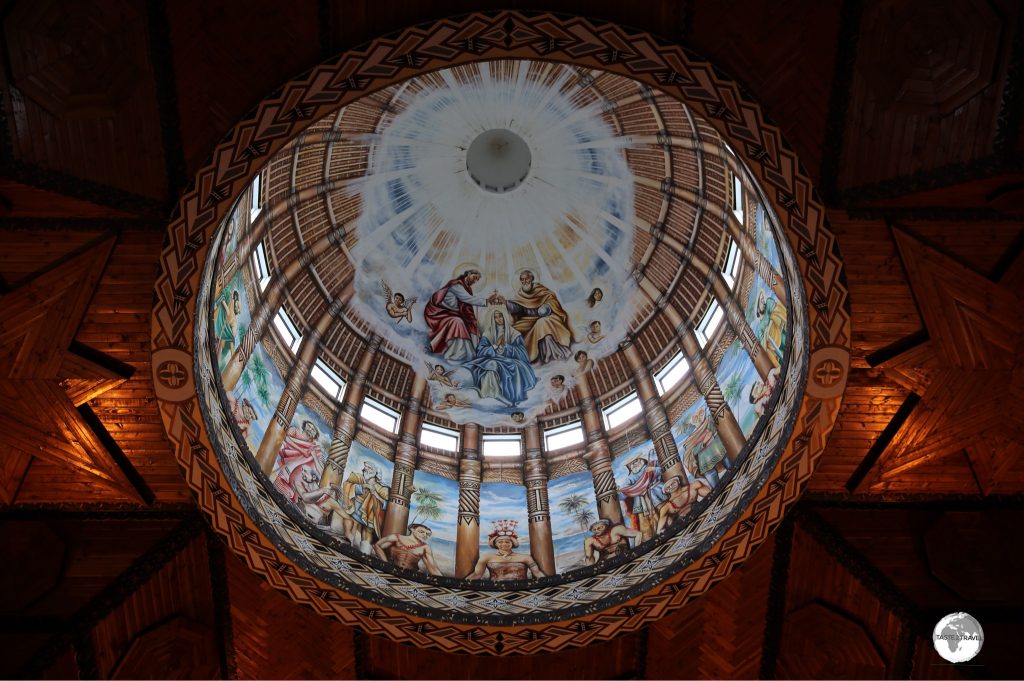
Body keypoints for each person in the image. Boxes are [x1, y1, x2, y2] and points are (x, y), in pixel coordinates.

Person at [464, 309, 537, 406]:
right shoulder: (488, 333)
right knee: (491, 367)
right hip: (493, 358)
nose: (498, 319)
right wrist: (494, 346)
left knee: (514, 366)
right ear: (492, 320)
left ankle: (514, 397)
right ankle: (494, 395)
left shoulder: (513, 333)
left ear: (504, 317)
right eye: (496, 317)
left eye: (500, 316)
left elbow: (522, 352)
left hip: (510, 359)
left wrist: (507, 347)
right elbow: (480, 351)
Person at [423, 268, 497, 362]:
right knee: (458, 322)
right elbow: (468, 299)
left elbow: (467, 307)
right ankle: (455, 353)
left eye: (476, 280)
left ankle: (469, 354)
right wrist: (486, 301)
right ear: (469, 274)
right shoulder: (457, 285)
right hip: (439, 314)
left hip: (452, 314)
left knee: (471, 327)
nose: (474, 281)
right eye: (474, 277)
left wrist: (472, 320)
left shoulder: (467, 289)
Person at [503, 270, 575, 364]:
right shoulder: (520, 295)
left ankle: (552, 353)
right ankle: (521, 357)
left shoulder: (540, 290)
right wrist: (506, 303)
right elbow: (517, 309)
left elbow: (552, 300)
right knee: (513, 331)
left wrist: (547, 306)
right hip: (529, 321)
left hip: (547, 317)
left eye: (526, 278)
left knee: (542, 323)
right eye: (522, 279)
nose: (525, 281)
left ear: (532, 278)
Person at [467, 521, 547, 581]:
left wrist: (546, 583)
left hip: (522, 588)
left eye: (507, 542)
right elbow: (477, 574)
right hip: (495, 589)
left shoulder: (526, 557)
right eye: (500, 542)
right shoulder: (486, 557)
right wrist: (463, 584)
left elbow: (537, 572)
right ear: (495, 544)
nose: (504, 544)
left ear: (512, 543)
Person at [342, 460, 391, 553]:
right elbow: (346, 485)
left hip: (371, 513)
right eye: (366, 467)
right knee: (353, 524)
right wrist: (362, 487)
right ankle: (348, 547)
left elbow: (387, 505)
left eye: (370, 468)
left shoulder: (382, 488)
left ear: (376, 473)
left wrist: (377, 496)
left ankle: (365, 551)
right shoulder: (358, 478)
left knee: (368, 531)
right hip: (355, 507)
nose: (366, 469)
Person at [272, 420, 325, 504]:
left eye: (313, 429)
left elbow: (321, 471)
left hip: (299, 478)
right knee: (274, 491)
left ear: (315, 435)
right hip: (284, 467)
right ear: (304, 426)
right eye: (309, 426)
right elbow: (286, 438)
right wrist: (303, 451)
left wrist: (314, 456)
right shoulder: (295, 431)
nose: (311, 429)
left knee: (286, 501)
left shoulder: (316, 449)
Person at [618, 454, 664, 541]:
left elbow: (662, 470)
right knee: (644, 522)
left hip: (656, 492)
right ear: (629, 467)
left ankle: (662, 529)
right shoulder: (630, 478)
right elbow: (625, 492)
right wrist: (619, 492)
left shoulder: (651, 465)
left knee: (662, 511)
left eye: (636, 461)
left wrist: (653, 469)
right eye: (631, 464)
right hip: (640, 502)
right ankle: (648, 538)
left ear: (642, 460)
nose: (634, 464)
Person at [373, 524, 443, 576]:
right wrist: (386, 564)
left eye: (427, 534)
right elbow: (377, 545)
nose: (424, 535)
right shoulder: (397, 538)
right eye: (421, 532)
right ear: (412, 529)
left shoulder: (425, 547)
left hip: (410, 576)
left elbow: (432, 567)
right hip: (392, 572)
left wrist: (443, 581)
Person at [755, 290, 787, 368]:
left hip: (781, 334)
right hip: (774, 349)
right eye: (761, 301)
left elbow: (777, 310)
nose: (763, 302)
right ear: (757, 308)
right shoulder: (759, 328)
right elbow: (763, 344)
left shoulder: (768, 303)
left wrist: (767, 330)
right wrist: (769, 327)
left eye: (763, 299)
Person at [215, 289, 241, 364]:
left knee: (230, 339)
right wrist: (223, 302)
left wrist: (223, 302)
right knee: (225, 340)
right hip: (229, 322)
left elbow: (232, 311)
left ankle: (231, 358)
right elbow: (230, 311)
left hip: (232, 322)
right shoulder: (232, 301)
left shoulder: (233, 302)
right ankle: (219, 359)